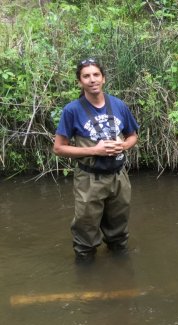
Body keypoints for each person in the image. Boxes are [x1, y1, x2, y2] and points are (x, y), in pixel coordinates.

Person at [53, 58, 139, 263]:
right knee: (86, 231)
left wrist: (124, 146)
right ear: (79, 82)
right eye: (86, 76)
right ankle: (85, 275)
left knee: (119, 231)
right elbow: (58, 148)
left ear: (103, 78)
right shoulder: (72, 110)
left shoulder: (118, 105)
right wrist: (95, 150)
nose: (92, 80)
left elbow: (133, 136)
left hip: (119, 177)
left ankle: (119, 270)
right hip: (89, 179)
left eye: (96, 75)